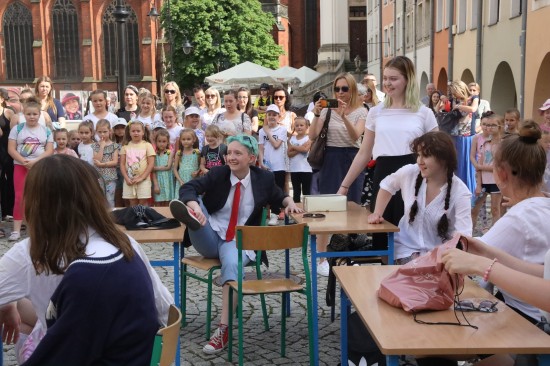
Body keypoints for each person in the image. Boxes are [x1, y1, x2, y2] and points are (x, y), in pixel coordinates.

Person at [0, 155, 172, 365]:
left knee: (23, 315)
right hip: (138, 353)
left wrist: (7, 304)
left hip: (89, 347)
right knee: (23, 310)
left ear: (37, 204)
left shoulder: (68, 267)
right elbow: (166, 309)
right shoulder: (122, 243)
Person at [169, 134, 303, 354]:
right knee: (196, 205)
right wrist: (192, 202)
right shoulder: (218, 173)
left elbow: (280, 196)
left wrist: (290, 203)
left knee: (232, 264)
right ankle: (192, 215)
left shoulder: (264, 178)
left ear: (251, 158)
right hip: (210, 234)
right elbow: (188, 188)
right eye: (228, 152)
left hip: (239, 240)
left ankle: (223, 329)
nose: (230, 157)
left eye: (237, 153)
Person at [441, 120, 550, 325]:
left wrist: (482, 262)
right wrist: (486, 253)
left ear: (500, 173)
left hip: (529, 321)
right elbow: (544, 273)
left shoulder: (519, 217)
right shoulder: (539, 206)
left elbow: (465, 259)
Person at [338, 56, 438, 255]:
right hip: (383, 177)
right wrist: (344, 186)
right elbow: (364, 152)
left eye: (393, 79)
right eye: (385, 78)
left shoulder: (424, 113)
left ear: (407, 80)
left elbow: (439, 153)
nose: (387, 83)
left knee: (413, 239)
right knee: (382, 239)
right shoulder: (376, 112)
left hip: (415, 178)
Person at [368, 131, 472, 264]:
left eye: (426, 156)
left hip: (440, 258)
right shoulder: (410, 172)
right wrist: (377, 213)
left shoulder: (460, 192)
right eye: (418, 155)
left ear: (444, 159)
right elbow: (387, 185)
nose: (419, 161)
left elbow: (464, 235)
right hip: (405, 250)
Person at [310, 72, 368, 276]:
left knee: (351, 208)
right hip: (331, 158)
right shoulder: (327, 111)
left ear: (352, 90)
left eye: (344, 89)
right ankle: (321, 258)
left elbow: (355, 137)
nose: (340, 93)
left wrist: (343, 116)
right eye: (337, 89)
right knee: (327, 208)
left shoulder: (362, 111)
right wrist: (317, 113)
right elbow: (312, 135)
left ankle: (347, 256)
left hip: (352, 159)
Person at [7, 97, 53, 241]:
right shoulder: (17, 128)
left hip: (39, 167)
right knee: (20, 197)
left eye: (34, 114)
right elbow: (11, 149)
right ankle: (16, 230)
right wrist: (23, 161)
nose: (32, 117)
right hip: (20, 166)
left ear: (39, 115)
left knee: (40, 196)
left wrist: (35, 161)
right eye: (29, 114)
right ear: (24, 114)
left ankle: (38, 227)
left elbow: (49, 150)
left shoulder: (46, 131)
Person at [258, 104, 289, 223]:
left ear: (278, 117)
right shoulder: (262, 131)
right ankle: (269, 212)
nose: (271, 117)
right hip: (267, 164)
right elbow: (261, 148)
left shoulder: (282, 129)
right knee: (267, 188)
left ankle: (278, 212)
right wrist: (261, 162)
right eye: (269, 114)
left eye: (274, 115)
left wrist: (268, 132)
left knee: (279, 188)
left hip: (279, 164)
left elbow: (276, 145)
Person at [473, 112, 503, 231]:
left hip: (496, 181)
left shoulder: (502, 144)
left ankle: (496, 235)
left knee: (495, 210)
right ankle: (469, 236)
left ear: (499, 127)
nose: (489, 128)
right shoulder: (484, 143)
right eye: (487, 125)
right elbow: (479, 165)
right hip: (484, 181)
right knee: (474, 209)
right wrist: (479, 184)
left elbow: (499, 167)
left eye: (492, 125)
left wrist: (482, 167)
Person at [449, 80, 478, 194]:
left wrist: (459, 106)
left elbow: (473, 109)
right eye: (452, 92)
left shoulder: (473, 98)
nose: (453, 94)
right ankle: (457, 192)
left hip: (468, 137)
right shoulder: (454, 100)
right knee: (457, 165)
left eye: (454, 92)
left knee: (468, 164)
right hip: (455, 136)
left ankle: (469, 192)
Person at [119, 121, 155, 206]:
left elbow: (151, 163)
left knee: (143, 202)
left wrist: (142, 177)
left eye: (138, 131)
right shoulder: (125, 146)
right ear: (129, 132)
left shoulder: (147, 145)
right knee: (132, 202)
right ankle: (135, 219)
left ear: (143, 132)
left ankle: (142, 219)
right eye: (133, 131)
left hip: (144, 180)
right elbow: (122, 164)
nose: (136, 133)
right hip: (129, 180)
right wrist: (126, 178)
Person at [93, 119, 120, 208]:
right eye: (100, 132)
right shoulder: (96, 145)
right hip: (99, 177)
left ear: (110, 131)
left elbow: (115, 162)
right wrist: (101, 147)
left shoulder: (114, 145)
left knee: (110, 199)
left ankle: (111, 217)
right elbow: (97, 159)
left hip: (110, 178)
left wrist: (102, 165)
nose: (102, 134)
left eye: (105, 132)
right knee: (100, 199)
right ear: (96, 132)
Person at [287, 116, 312, 203]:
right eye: (297, 125)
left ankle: (307, 210)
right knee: (296, 192)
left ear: (306, 126)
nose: (299, 127)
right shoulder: (291, 139)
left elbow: (305, 150)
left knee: (306, 193)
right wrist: (300, 148)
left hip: (306, 169)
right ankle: (296, 210)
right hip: (294, 170)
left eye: (301, 125)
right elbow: (289, 154)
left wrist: (294, 147)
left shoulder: (309, 138)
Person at [0, 89, 16, 226]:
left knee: (10, 179)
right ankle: (3, 212)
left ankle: (10, 211)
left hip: (8, 151)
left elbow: (15, 133)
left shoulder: (8, 112)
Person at [173, 129, 201, 196]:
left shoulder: (197, 152)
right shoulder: (179, 153)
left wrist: (197, 171)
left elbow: (201, 165)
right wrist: (180, 181)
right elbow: (174, 169)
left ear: (193, 140)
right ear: (180, 140)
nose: (186, 141)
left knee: (192, 198)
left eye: (188, 139)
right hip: (181, 181)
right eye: (183, 139)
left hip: (193, 180)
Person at [152, 128, 174, 207]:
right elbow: (153, 172)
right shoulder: (154, 154)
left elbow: (168, 167)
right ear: (156, 142)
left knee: (167, 203)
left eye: (164, 141)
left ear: (168, 142)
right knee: (158, 203)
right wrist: (155, 185)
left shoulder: (170, 153)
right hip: (158, 181)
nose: (161, 144)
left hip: (168, 181)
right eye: (159, 141)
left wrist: (154, 168)